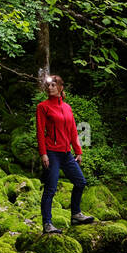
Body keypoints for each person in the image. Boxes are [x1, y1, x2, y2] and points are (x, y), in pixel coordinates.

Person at [36, 74, 95, 234]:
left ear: (61, 88)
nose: (50, 88)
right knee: (51, 189)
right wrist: (43, 154)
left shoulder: (67, 107)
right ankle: (47, 224)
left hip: (67, 153)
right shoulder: (43, 106)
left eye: (53, 85)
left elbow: (73, 130)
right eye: (48, 85)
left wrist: (78, 151)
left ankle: (76, 214)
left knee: (80, 182)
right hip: (51, 152)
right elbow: (40, 132)